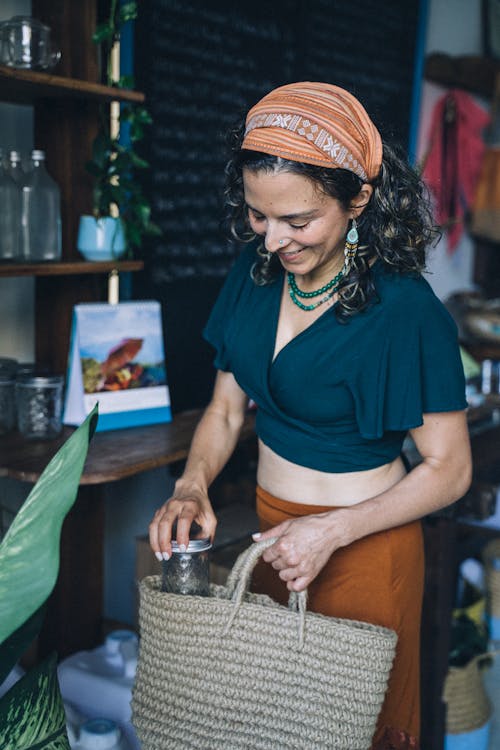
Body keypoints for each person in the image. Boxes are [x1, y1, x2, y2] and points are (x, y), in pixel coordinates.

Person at [149, 82, 472, 749]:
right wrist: (190, 484)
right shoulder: (255, 272)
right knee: (273, 732)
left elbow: (450, 471)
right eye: (258, 217)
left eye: (298, 222)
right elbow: (226, 409)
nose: (273, 241)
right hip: (276, 540)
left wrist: (332, 531)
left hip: (364, 549)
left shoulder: (404, 310)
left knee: (358, 731)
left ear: (357, 198)